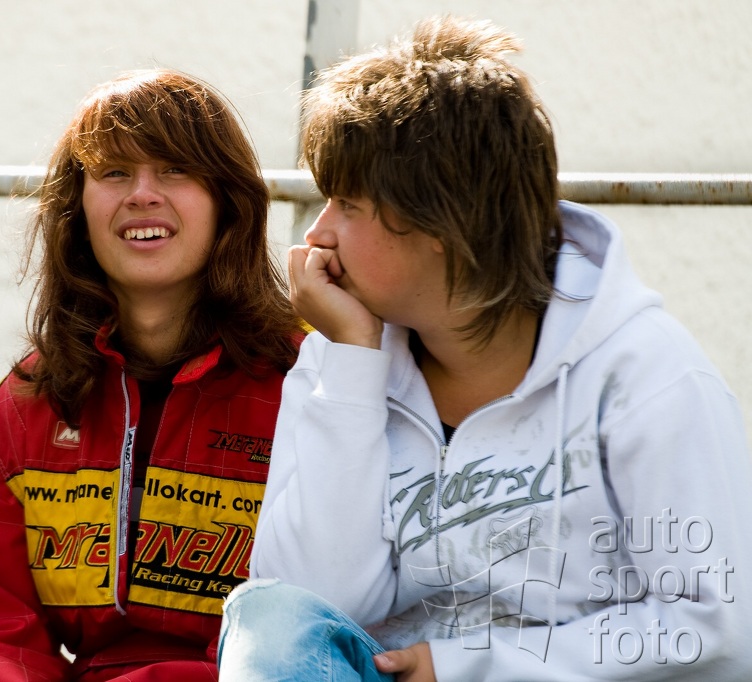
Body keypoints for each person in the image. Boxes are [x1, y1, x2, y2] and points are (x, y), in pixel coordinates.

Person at [216, 15, 752, 682]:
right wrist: (353, 363)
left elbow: (716, 629)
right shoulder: (338, 358)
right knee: (265, 615)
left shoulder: (645, 375)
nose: (318, 234)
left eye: (347, 205)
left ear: (441, 221)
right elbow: (308, 615)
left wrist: (469, 665)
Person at [0, 69, 303, 682]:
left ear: (228, 201)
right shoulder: (25, 404)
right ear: (77, 209)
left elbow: (331, 618)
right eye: (114, 172)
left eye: (175, 169)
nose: (142, 195)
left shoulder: (310, 382)